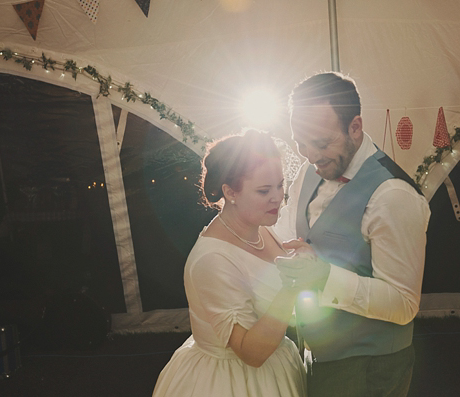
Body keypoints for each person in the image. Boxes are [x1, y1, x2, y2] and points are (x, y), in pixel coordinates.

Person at [275, 71, 431, 397]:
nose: (311, 155)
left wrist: (323, 278)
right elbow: (301, 232)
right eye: (301, 143)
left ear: (355, 127)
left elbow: (404, 304)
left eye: (321, 143)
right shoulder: (309, 170)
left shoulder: (393, 195)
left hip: (370, 367)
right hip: (316, 351)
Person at [152, 130, 307, 397]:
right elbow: (251, 353)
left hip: (279, 365)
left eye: (280, 185)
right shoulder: (211, 259)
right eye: (264, 190)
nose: (277, 197)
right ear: (230, 192)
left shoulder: (262, 228)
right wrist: (292, 285)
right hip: (230, 382)